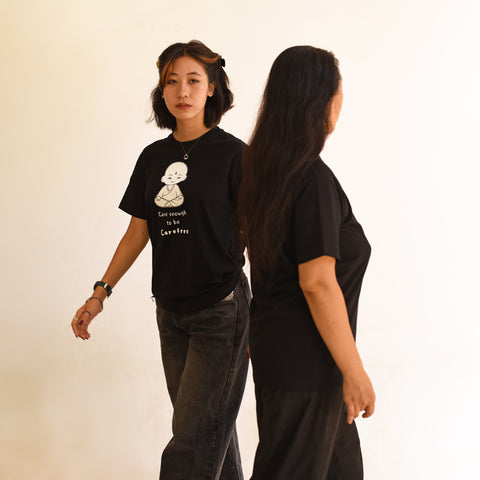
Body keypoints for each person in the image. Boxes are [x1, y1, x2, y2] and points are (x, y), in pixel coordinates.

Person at [71, 40, 251, 480]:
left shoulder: (235, 155)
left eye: (193, 80)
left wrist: (268, 311)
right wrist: (99, 294)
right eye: (172, 81)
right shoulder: (153, 157)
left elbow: (259, 233)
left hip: (221, 309)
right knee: (209, 430)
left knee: (192, 438)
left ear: (212, 87)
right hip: (171, 313)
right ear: (161, 89)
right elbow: (138, 231)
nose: (182, 91)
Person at [238, 46, 376, 479]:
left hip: (297, 361)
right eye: (339, 90)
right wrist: (355, 371)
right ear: (321, 100)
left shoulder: (267, 174)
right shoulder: (311, 179)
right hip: (308, 366)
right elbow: (316, 282)